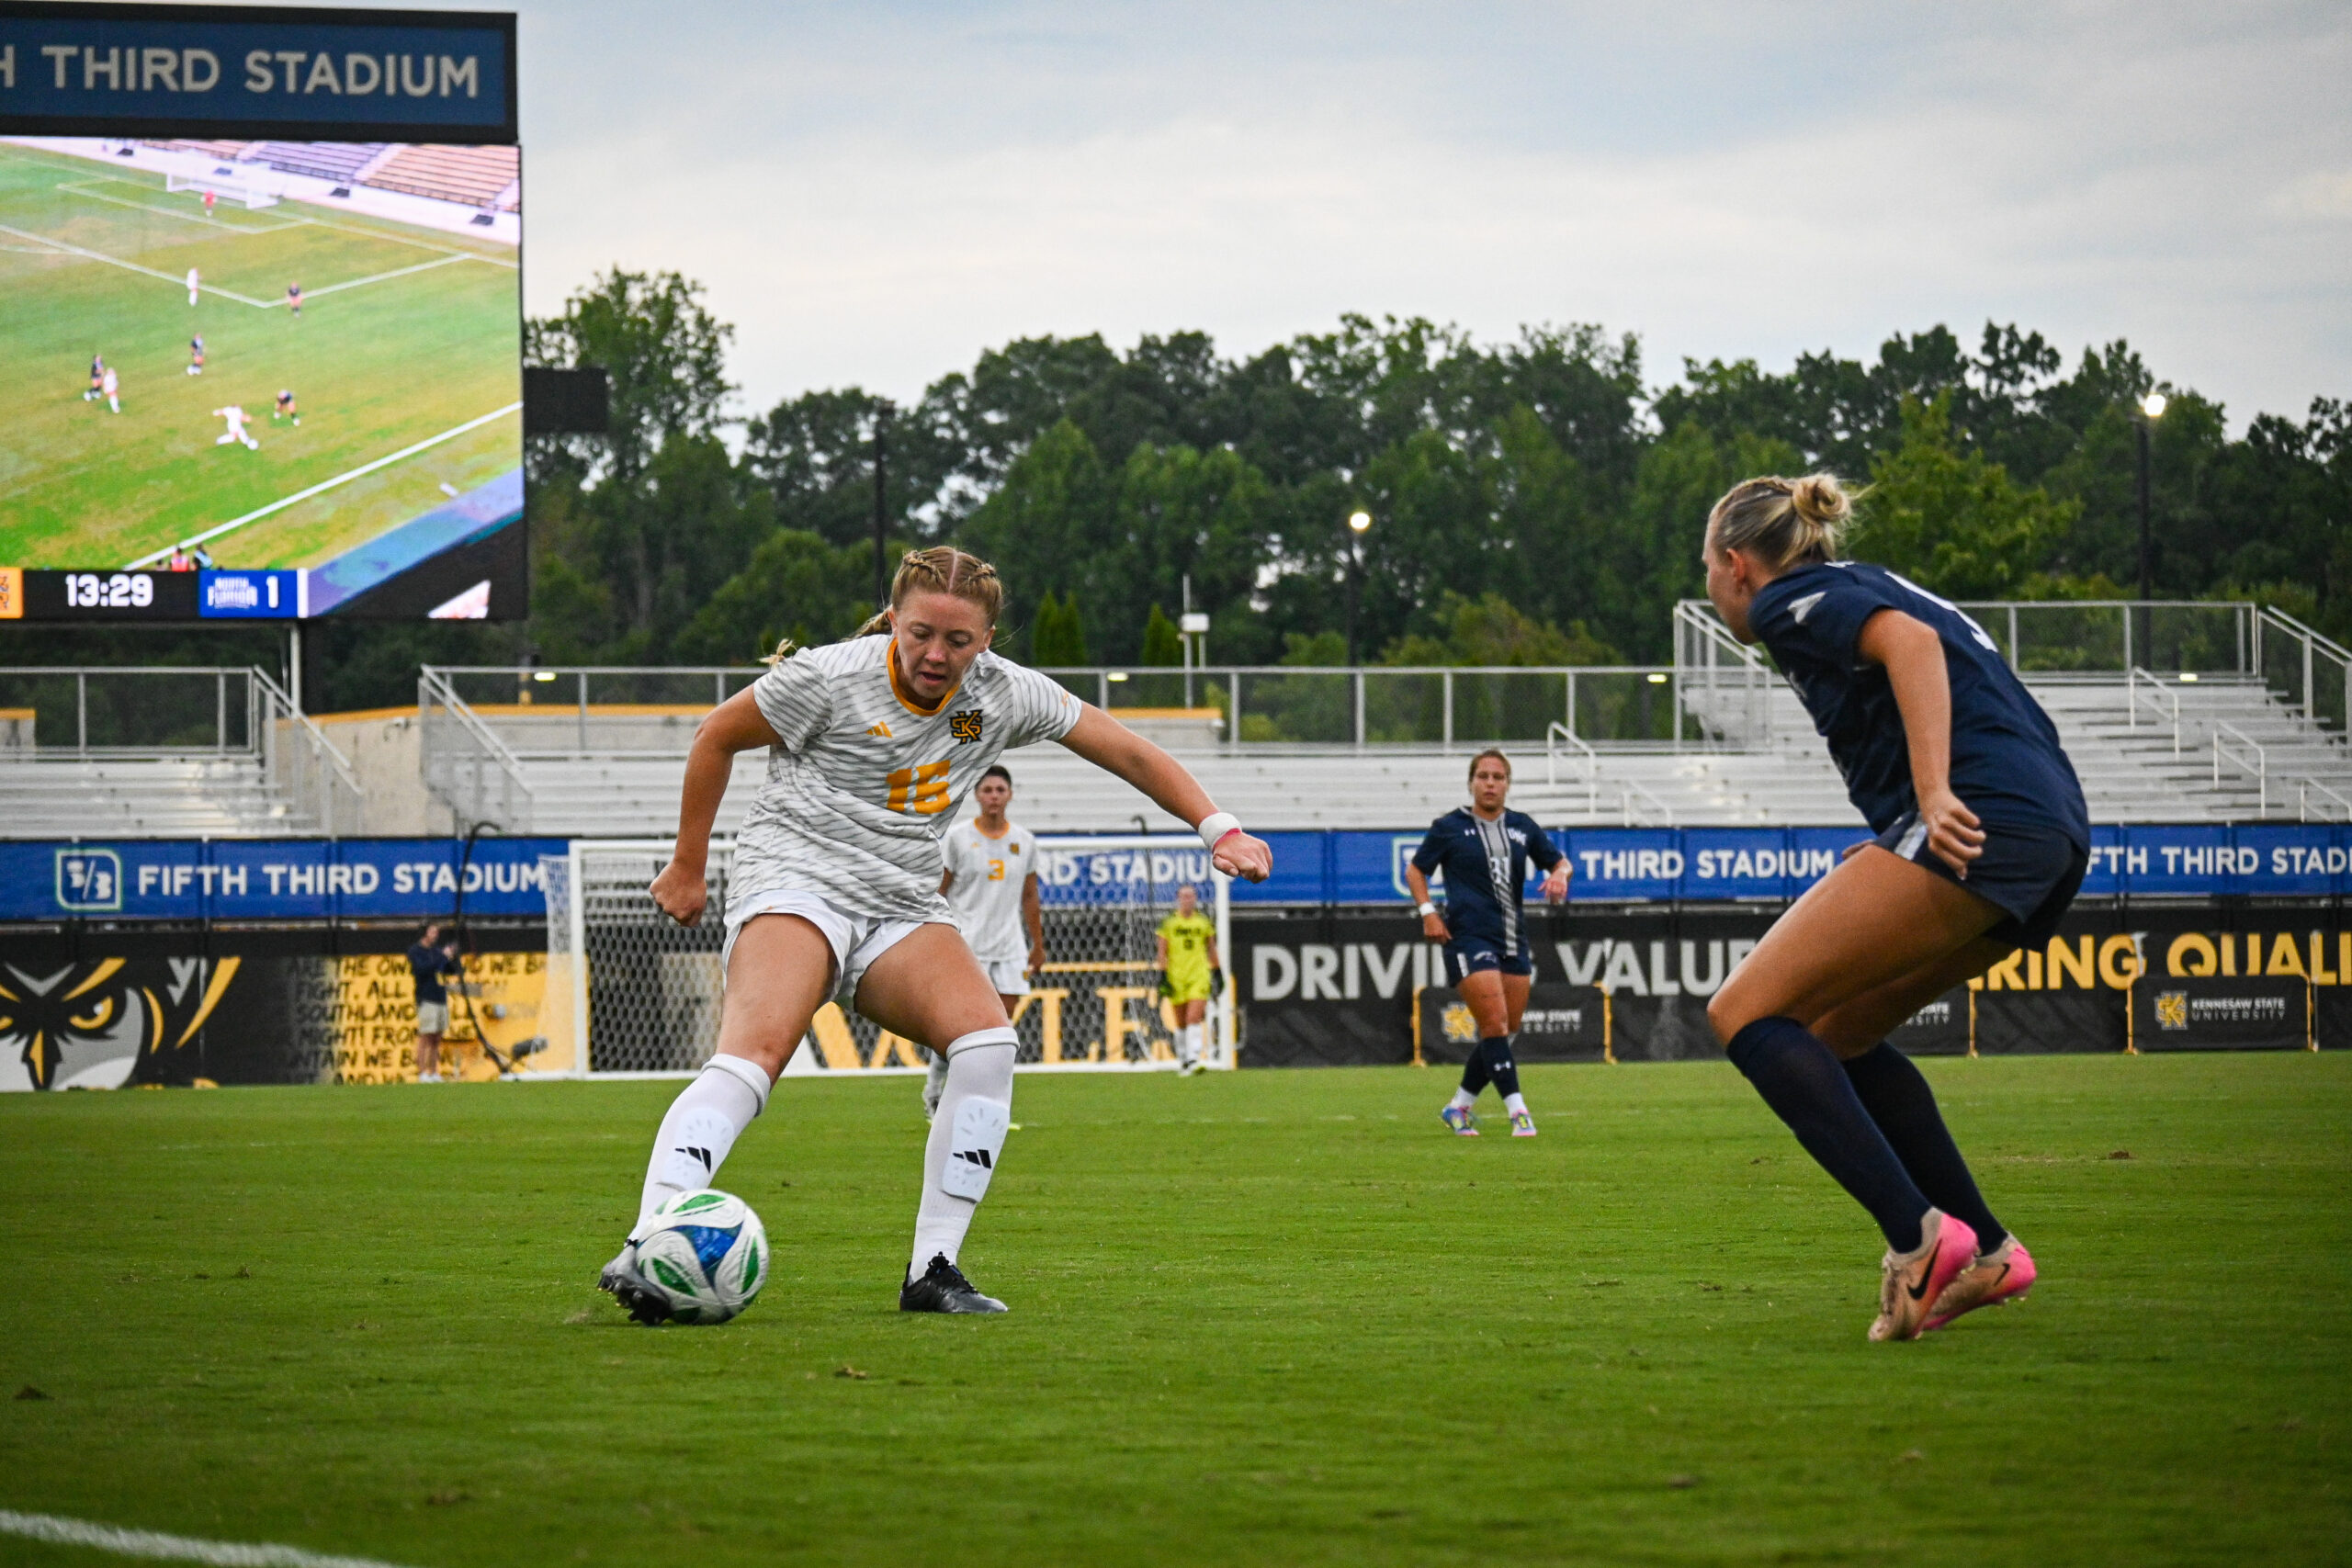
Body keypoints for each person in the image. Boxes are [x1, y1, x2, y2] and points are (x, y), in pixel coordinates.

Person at [600, 547, 1272, 1322]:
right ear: (893, 619)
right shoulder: (826, 676)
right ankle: (650, 1240)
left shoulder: (1004, 693)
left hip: (901, 899)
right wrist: (687, 865)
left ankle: (933, 1268)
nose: (935, 653)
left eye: (959, 640)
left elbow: (1122, 746)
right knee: (758, 1051)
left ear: (986, 639)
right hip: (796, 877)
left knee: (987, 1044)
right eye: (920, 633)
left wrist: (1216, 825)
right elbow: (717, 733)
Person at [1700, 473, 2082, 1343]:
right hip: (2047, 831)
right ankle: (1984, 1246)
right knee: (1836, 1030)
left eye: (1710, 575)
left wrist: (1935, 795)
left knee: (1744, 1012)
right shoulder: (1862, 577)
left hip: (1982, 818)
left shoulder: (1785, 599)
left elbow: (1910, 647)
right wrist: (1909, 823)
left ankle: (1918, 1236)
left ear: (1734, 564)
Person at [1406, 750, 1570, 1138]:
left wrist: (1561, 875)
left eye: (1498, 777)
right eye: (1483, 776)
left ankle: (1458, 1106)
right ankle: (1519, 1113)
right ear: (1471, 783)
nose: (1490, 783)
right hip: (1466, 937)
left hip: (1513, 938)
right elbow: (1416, 869)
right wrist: (1428, 911)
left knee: (1506, 1029)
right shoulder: (1449, 827)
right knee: (1494, 1024)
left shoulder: (1522, 827)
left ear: (1507, 784)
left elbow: (1559, 862)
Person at [927, 763, 1042, 1120]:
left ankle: (990, 1110)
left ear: (1010, 795)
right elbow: (939, 891)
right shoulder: (959, 838)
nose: (993, 796)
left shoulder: (1024, 841)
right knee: (962, 1029)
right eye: (987, 790)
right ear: (977, 795)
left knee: (1000, 1033)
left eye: (1000, 790)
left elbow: (1029, 896)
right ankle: (935, 1090)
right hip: (967, 945)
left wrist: (1037, 944)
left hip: (1008, 947)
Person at [1155, 883, 1221, 1075]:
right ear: (1178, 899)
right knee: (1181, 1021)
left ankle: (1194, 1058)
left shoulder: (1203, 923)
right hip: (1176, 976)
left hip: (1198, 975)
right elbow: (1162, 952)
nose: (1187, 900)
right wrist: (1163, 976)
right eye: (1184, 896)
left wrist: (1218, 973)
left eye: (1191, 896)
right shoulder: (1169, 924)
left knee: (1194, 1017)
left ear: (1195, 899)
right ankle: (1184, 1058)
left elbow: (1211, 949)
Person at [407, 924, 464, 1084]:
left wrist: (452, 957)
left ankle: (433, 1071)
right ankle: (422, 1072)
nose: (435, 935)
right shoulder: (416, 952)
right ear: (425, 933)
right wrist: (442, 956)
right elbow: (422, 970)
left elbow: (449, 970)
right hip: (427, 997)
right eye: (432, 932)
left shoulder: (437, 952)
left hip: (440, 997)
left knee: (436, 1038)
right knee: (425, 1036)